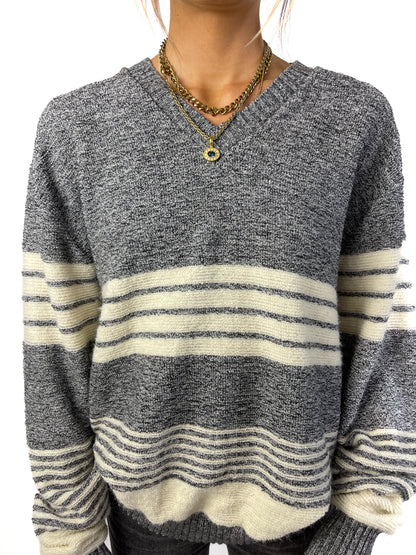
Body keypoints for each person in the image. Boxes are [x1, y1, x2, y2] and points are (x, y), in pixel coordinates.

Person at [21, 0, 416, 554]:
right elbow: (54, 343)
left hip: (301, 511)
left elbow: (382, 328)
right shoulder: (77, 127)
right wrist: (71, 530)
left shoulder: (352, 119)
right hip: (135, 504)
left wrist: (359, 520)